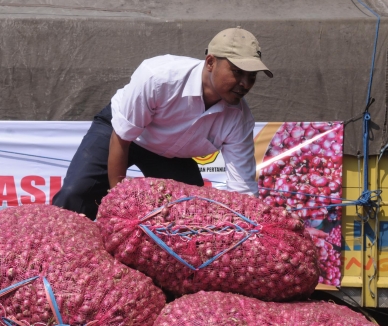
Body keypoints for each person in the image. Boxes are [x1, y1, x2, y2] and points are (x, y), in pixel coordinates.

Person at [52, 26, 273, 220]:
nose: (245, 83)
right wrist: (119, 207)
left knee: (194, 213)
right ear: (210, 62)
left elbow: (242, 190)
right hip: (121, 135)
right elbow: (122, 139)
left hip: (170, 155)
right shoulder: (159, 77)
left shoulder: (239, 120)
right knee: (75, 193)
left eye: (252, 76)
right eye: (237, 72)